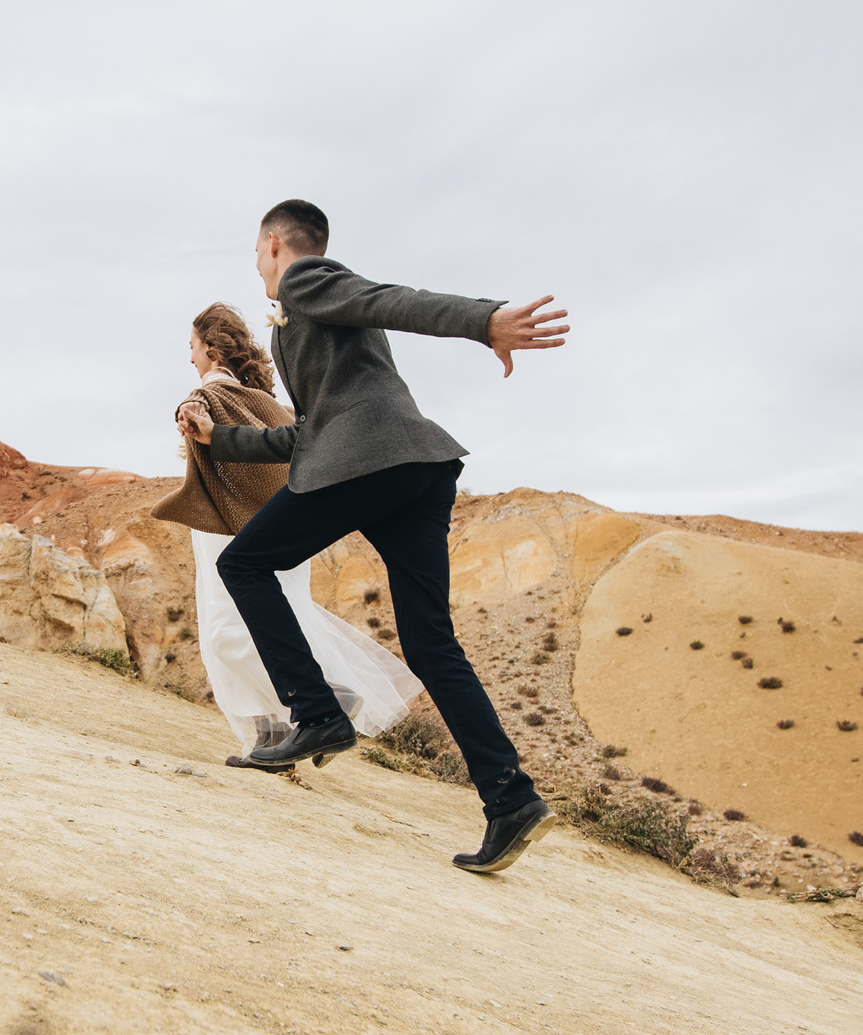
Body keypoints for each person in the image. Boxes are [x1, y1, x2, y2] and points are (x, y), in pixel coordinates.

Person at [176, 199, 570, 874]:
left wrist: (484, 321)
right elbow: (307, 433)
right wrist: (224, 440)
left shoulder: (307, 281)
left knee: (243, 565)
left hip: (369, 467)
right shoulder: (305, 324)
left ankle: (316, 711)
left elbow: (392, 299)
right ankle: (511, 798)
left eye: (255, 252)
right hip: (416, 468)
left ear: (274, 243)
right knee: (430, 641)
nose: (257, 266)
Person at [152, 304, 425, 761]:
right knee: (279, 624)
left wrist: (188, 407)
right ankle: (270, 739)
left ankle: (327, 698)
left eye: (194, 348)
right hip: (281, 528)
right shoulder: (267, 403)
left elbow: (198, 405)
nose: (191, 358)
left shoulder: (212, 392)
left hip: (231, 527)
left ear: (212, 349)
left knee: (227, 632)